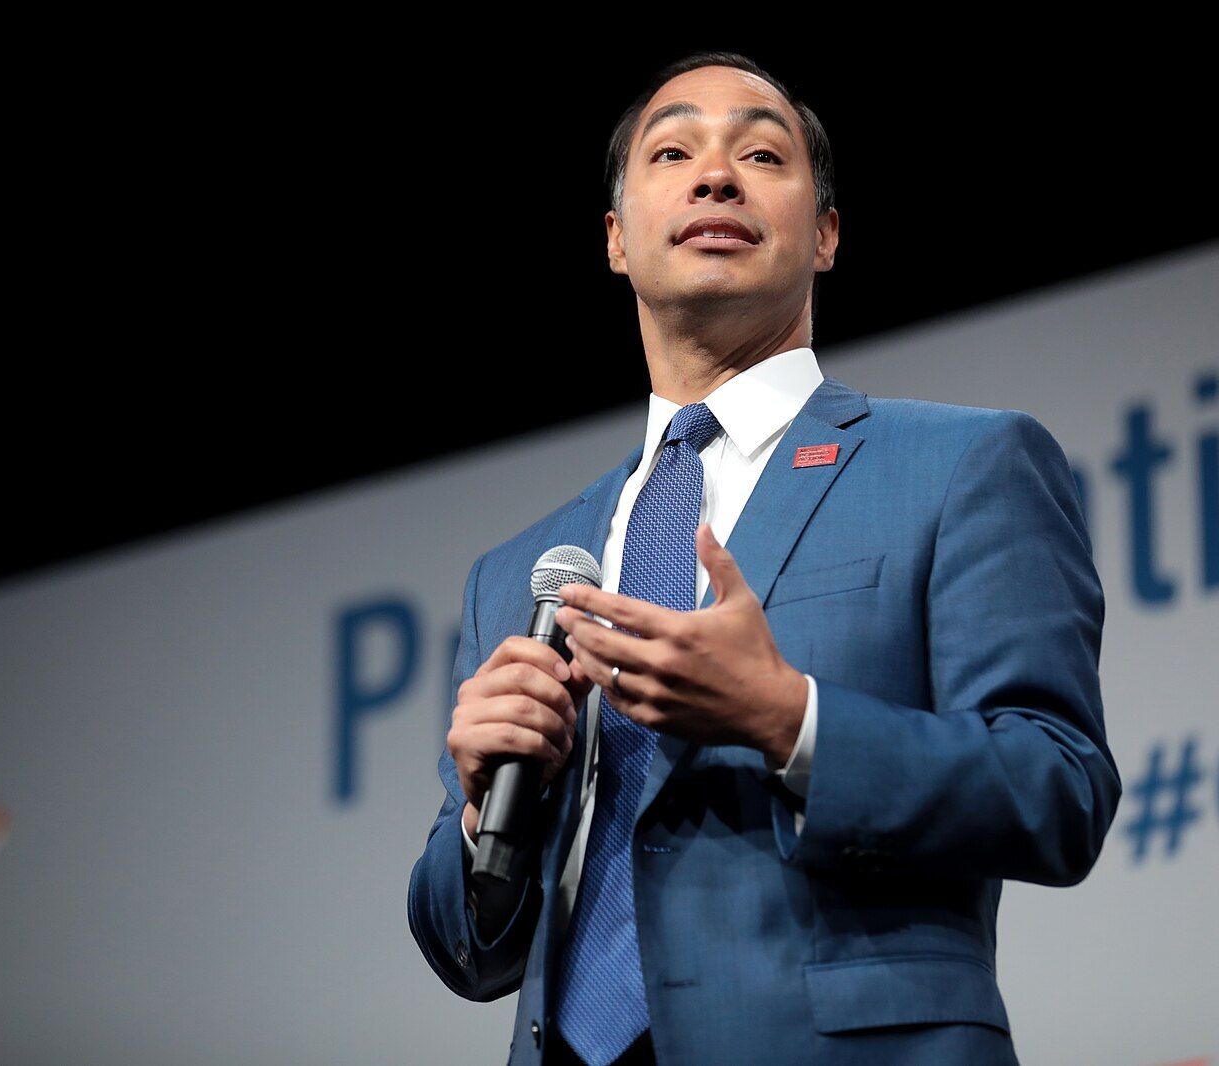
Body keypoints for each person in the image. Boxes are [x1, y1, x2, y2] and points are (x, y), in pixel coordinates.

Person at [407, 51, 1121, 1066]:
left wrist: (789, 717)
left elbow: (1059, 791)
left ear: (825, 233)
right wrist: (486, 810)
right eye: (673, 150)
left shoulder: (964, 464)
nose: (715, 174)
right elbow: (469, 952)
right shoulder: (516, 573)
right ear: (615, 240)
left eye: (760, 152)